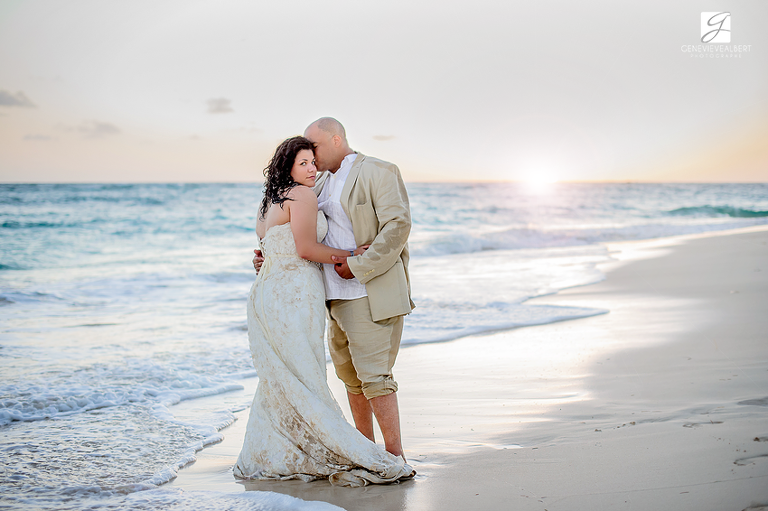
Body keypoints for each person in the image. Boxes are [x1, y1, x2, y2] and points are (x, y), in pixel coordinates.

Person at [234, 136, 413, 487]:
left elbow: (397, 226)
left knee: (295, 376)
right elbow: (304, 247)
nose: (312, 166)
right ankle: (355, 449)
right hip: (303, 293)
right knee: (313, 375)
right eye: (304, 162)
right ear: (289, 167)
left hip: (283, 294)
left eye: (313, 159)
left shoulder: (276, 197)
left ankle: (388, 452)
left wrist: (268, 259)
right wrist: (348, 255)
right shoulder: (304, 191)